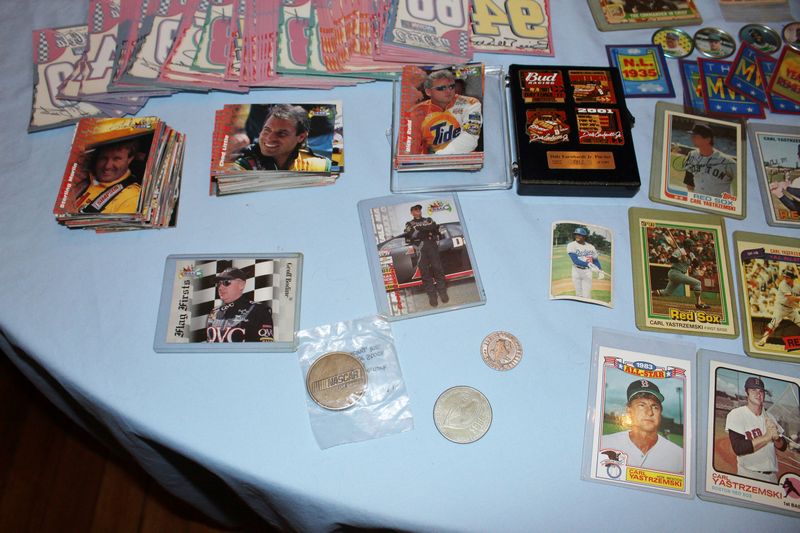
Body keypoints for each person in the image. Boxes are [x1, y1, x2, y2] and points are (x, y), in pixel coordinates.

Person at [602, 379, 683, 473]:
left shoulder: (679, 456)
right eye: (642, 405)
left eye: (655, 407)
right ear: (629, 410)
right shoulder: (604, 443)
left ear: (660, 413)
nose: (649, 412)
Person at [233, 104, 332, 172]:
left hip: (320, 140)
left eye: (282, 133)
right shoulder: (245, 164)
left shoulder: (320, 165)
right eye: (266, 130)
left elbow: (328, 112)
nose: (270, 138)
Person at [725, 376, 787, 482]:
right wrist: (767, 437)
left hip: (772, 477)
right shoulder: (737, 414)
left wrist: (777, 438)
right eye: (753, 390)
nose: (758, 394)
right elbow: (738, 448)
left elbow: (783, 446)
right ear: (746, 393)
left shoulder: (770, 417)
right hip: (749, 475)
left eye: (761, 391)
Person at [409, 69, 482, 155]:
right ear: (428, 92)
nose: (448, 91)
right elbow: (409, 147)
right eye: (441, 88)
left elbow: (470, 137)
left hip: (464, 160)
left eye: (451, 87)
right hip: (430, 161)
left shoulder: (471, 103)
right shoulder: (417, 112)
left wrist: (439, 157)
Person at [206, 268, 273, 343]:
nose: (220, 288)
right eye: (218, 284)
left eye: (226, 282)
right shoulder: (214, 312)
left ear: (241, 285)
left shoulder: (259, 311)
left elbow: (265, 347)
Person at [77, 139, 142, 214]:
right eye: (103, 158)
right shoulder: (81, 177)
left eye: (116, 159)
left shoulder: (132, 197)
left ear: (129, 159)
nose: (107, 166)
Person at [404, 204, 448, 307]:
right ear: (412, 213)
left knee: (437, 268)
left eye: (419, 209)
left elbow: (433, 227)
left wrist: (419, 228)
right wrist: (426, 229)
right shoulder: (409, 223)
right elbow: (411, 234)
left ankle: (443, 293)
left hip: (431, 245)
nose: (418, 211)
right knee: (425, 272)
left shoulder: (428, 219)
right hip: (419, 248)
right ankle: (432, 296)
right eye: (415, 210)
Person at [651, 237, 712, 310]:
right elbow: (671, 259)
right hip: (675, 272)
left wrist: (689, 257)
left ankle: (649, 293)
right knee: (697, 283)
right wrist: (680, 258)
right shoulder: (680, 251)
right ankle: (699, 303)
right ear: (688, 246)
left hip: (680, 274)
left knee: (666, 293)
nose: (693, 247)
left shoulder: (691, 254)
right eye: (692, 246)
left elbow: (696, 264)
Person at [682, 123, 737, 197]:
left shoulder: (727, 162)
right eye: (692, 136)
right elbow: (689, 182)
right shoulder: (692, 155)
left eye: (696, 136)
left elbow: (743, 184)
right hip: (698, 199)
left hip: (719, 201)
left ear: (708, 140)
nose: (692, 138)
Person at [756, 270, 800, 347]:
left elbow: (795, 299)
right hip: (780, 307)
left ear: (792, 278)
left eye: (787, 277)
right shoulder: (783, 284)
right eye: (784, 277)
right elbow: (791, 298)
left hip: (791, 309)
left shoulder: (797, 286)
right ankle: (763, 340)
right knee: (773, 323)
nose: (785, 278)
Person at [566, 227, 604, 299]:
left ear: (584, 236)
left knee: (587, 295)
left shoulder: (591, 247)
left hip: (587, 272)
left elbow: (595, 260)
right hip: (576, 271)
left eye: (579, 235)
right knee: (578, 294)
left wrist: (600, 270)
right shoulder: (571, 245)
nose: (577, 236)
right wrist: (589, 265)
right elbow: (575, 260)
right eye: (576, 234)